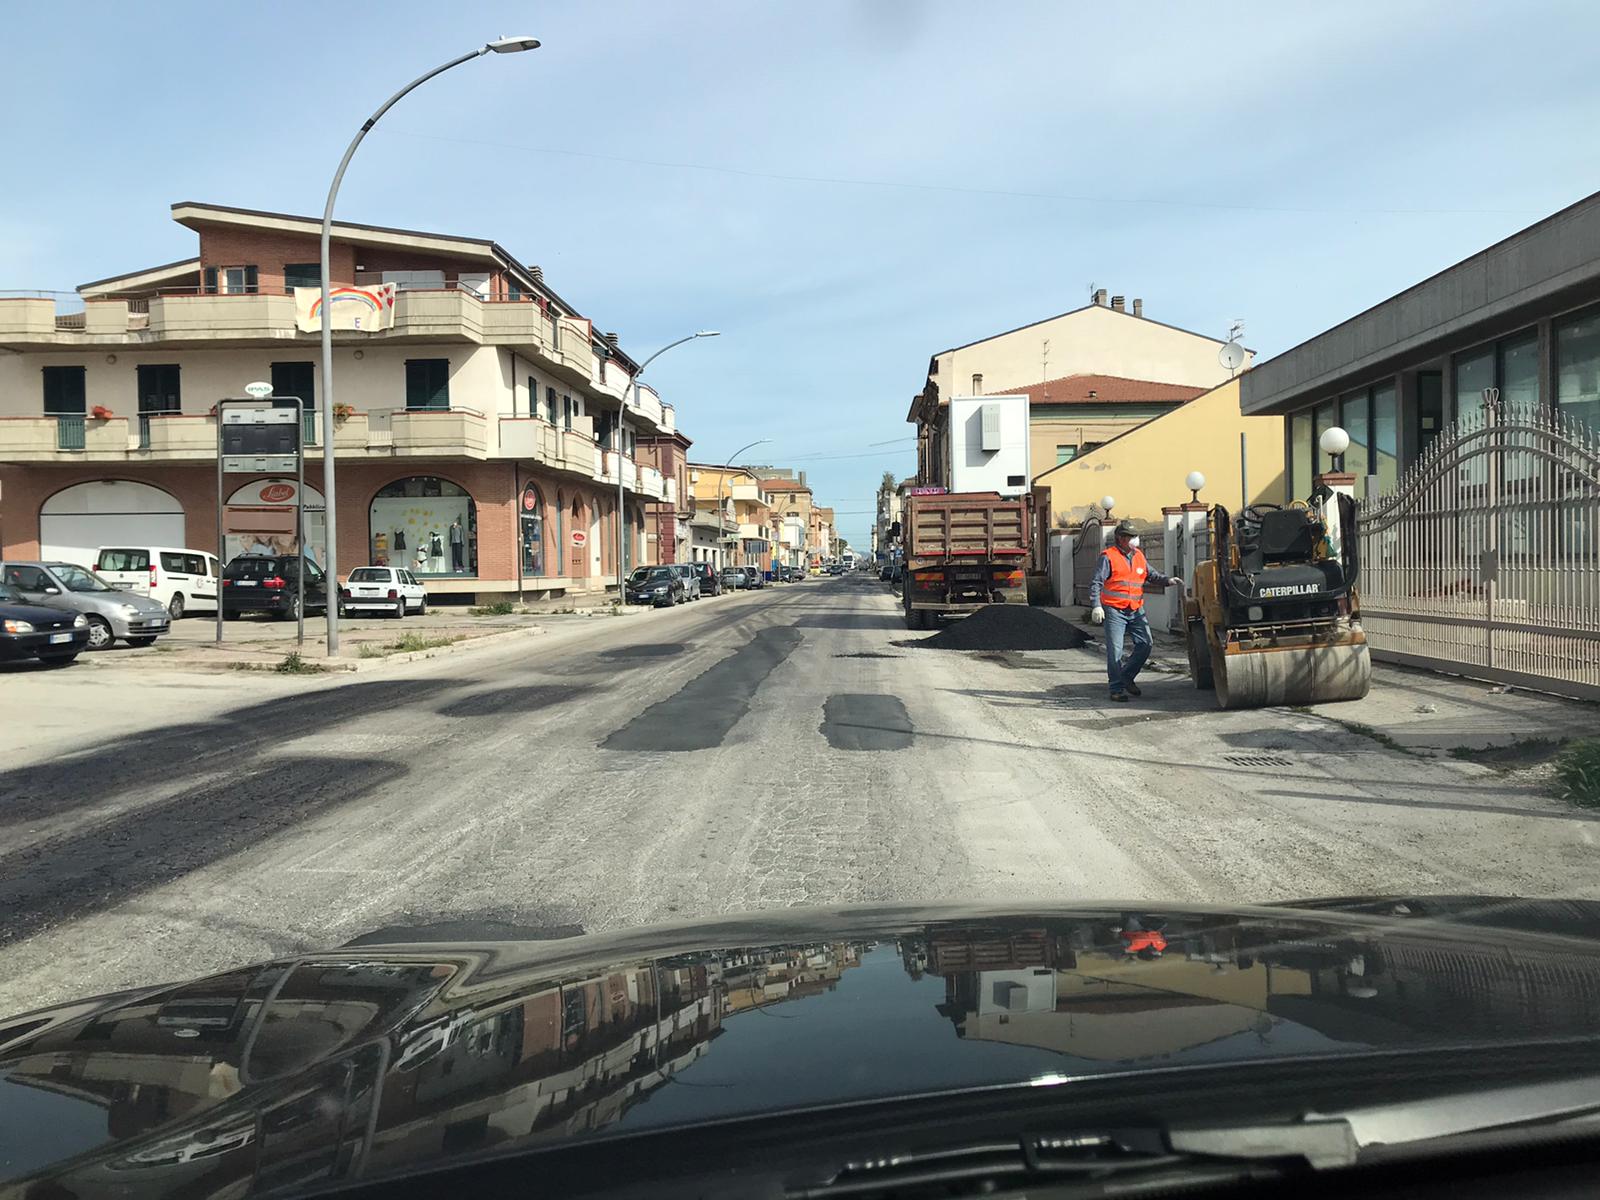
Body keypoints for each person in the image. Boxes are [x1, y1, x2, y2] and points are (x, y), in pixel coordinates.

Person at [1087, 520, 1182, 702]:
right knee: (1115, 650)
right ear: (1120, 539)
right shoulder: (1108, 556)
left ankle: (1126, 676)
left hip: (1135, 609)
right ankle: (1116, 689)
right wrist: (1096, 605)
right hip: (1114, 610)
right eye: (1130, 537)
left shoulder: (1139, 555)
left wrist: (1168, 580)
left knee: (1145, 644)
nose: (1134, 540)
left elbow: (1151, 575)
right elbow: (1097, 582)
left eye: (1134, 536)